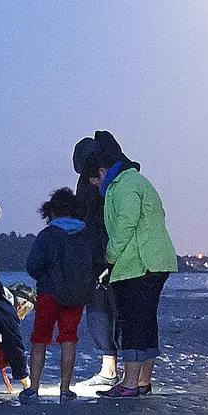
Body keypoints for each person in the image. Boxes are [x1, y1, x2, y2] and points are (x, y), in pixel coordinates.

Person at [83, 137, 179, 398]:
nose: (95, 185)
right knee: (146, 322)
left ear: (102, 171)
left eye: (94, 180)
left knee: (132, 323)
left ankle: (129, 383)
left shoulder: (123, 185)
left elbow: (125, 225)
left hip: (139, 264)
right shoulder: (137, 181)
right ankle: (143, 381)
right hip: (155, 262)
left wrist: (109, 258)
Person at [20, 187, 103, 404]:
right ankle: (65, 389)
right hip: (76, 295)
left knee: (39, 339)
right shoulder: (85, 234)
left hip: (48, 293)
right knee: (69, 339)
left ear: (52, 212)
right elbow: (96, 264)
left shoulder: (47, 235)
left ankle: (33, 388)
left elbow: (33, 267)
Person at [73, 137, 121, 388]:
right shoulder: (117, 174)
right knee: (117, 311)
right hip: (114, 254)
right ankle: (124, 370)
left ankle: (110, 368)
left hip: (100, 255)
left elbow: (85, 219)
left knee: (100, 310)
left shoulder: (91, 182)